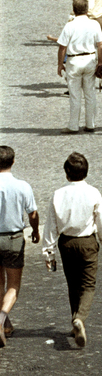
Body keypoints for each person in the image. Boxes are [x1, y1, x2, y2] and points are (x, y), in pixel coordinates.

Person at [39, 152, 102, 348]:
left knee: (72, 283)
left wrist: (48, 252)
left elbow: (51, 226)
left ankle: (74, 322)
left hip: (66, 243)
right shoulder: (94, 192)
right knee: (88, 284)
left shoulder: (58, 194)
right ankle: (80, 318)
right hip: (87, 241)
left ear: (66, 173)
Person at [0, 146, 39, 345]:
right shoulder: (22, 186)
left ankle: (5, 324)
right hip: (13, 238)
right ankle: (2, 318)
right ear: (13, 162)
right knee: (13, 285)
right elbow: (32, 213)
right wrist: (36, 231)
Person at [56, 0, 102, 133]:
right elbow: (101, 45)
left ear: (74, 9)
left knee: (75, 95)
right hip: (90, 59)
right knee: (90, 94)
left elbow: (62, 47)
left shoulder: (70, 25)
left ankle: (73, 126)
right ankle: (91, 124)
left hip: (74, 61)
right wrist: (100, 62)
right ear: (87, 9)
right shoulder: (94, 24)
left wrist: (60, 64)